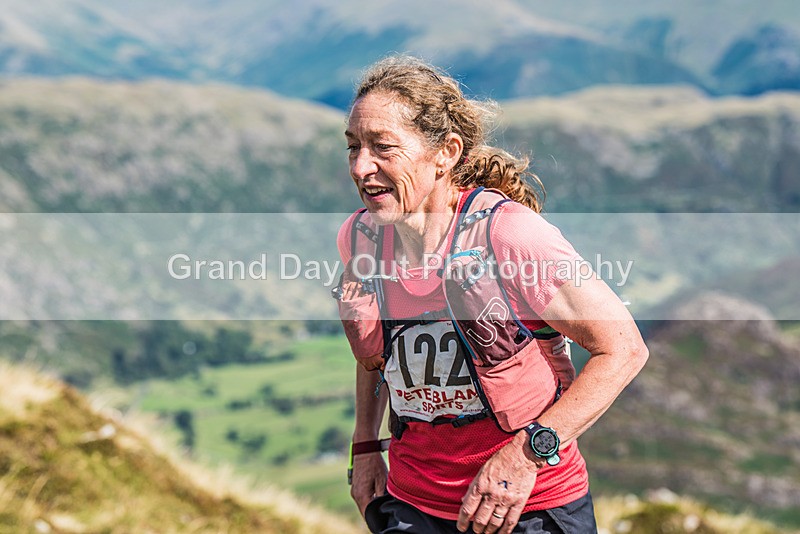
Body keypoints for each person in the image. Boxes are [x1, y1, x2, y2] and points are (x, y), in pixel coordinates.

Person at [334, 55, 648, 534]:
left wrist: (526, 457)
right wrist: (365, 446)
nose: (361, 167)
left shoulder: (509, 235)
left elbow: (623, 349)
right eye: (353, 146)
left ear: (446, 153)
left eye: (383, 147)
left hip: (530, 510)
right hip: (413, 504)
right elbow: (375, 350)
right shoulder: (361, 238)